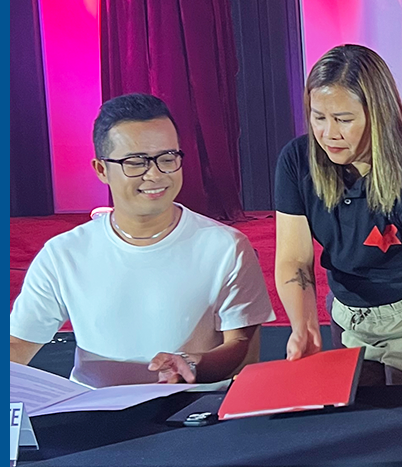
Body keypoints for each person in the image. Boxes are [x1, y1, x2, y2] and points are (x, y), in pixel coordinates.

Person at [10, 94, 273, 386]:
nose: (155, 174)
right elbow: (18, 344)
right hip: (92, 407)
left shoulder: (225, 246)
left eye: (167, 159)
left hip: (191, 404)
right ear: (101, 170)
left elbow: (243, 350)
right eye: (136, 163)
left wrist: (191, 365)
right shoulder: (64, 254)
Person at [275, 45, 402, 410]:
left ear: (376, 115)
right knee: (361, 413)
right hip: (349, 315)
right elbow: (293, 259)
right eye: (319, 117)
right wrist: (304, 326)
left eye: (343, 120)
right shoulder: (296, 161)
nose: (328, 133)